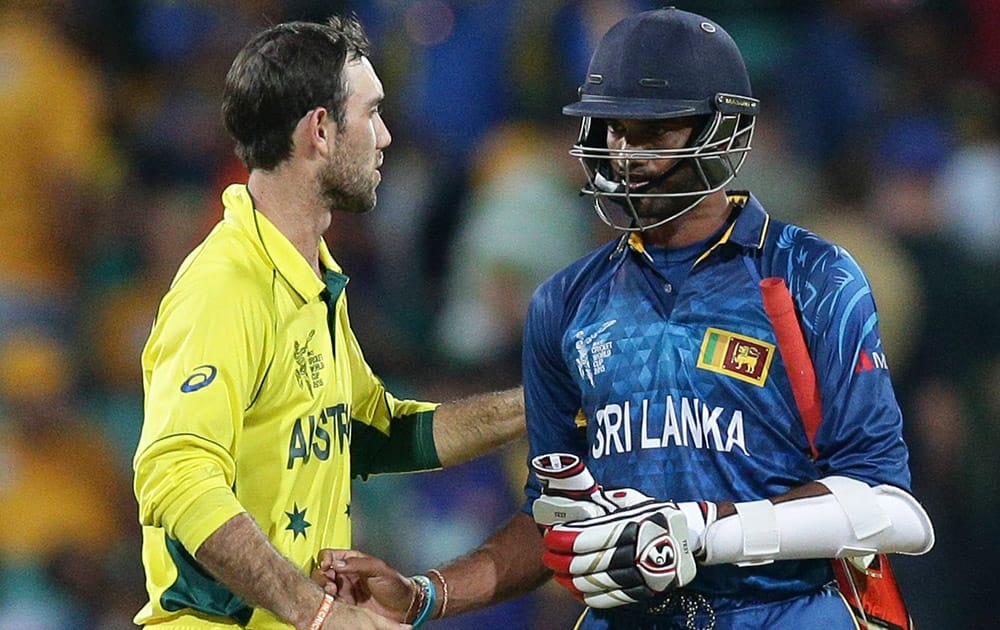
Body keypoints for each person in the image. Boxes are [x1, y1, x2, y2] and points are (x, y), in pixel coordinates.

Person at [315, 8, 935, 630]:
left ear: (725, 131)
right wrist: (426, 594)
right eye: (611, 128)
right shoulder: (565, 302)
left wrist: (700, 531)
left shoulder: (812, 277)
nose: (623, 153)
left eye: (652, 131)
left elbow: (890, 509)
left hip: (788, 613)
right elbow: (551, 520)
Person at [131, 15, 525, 630]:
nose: (387, 136)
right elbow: (175, 476)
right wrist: (317, 613)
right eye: (371, 113)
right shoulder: (227, 285)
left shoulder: (310, 279)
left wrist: (534, 405)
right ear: (320, 130)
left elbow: (375, 433)